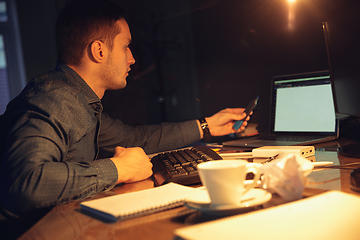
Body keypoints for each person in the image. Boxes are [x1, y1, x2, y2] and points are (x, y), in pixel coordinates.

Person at [0, 0, 251, 218]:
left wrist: (206, 125)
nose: (131, 58)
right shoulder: (53, 100)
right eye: (125, 46)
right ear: (99, 50)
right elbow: (25, 183)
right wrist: (120, 168)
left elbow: (134, 139)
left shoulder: (80, 101)